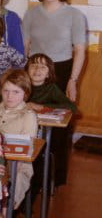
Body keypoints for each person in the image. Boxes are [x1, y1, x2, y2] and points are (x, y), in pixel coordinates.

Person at [23, 0, 87, 102]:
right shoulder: (31, 13)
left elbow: (80, 51)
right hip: (34, 68)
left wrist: (73, 80)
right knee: (30, 107)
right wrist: (22, 73)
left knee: (58, 109)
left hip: (61, 70)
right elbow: (25, 45)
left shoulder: (75, 15)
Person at [25, 53, 76, 188]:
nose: (37, 69)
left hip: (41, 135)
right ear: (27, 69)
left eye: (43, 67)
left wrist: (42, 107)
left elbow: (71, 107)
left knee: (41, 153)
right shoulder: (21, 85)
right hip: (21, 132)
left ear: (48, 73)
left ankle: (36, 185)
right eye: (33, 65)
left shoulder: (51, 88)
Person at [0, 70, 37, 209]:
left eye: (16, 92)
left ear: (25, 93)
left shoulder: (28, 115)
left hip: (18, 165)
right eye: (6, 91)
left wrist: (10, 171)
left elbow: (27, 149)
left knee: (13, 184)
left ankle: (3, 213)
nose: (10, 96)